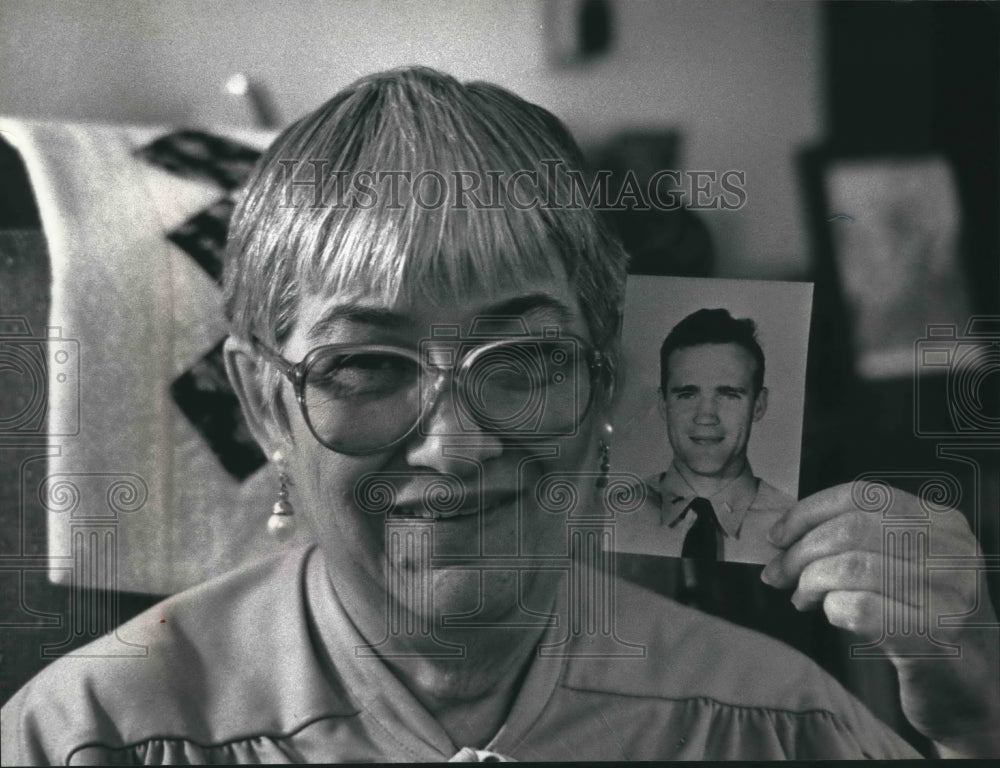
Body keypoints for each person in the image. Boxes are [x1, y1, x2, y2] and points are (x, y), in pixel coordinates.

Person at [2, 67, 998, 762]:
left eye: (522, 359)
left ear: (604, 385)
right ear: (266, 403)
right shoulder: (87, 738)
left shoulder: (778, 723)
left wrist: (974, 723)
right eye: (365, 367)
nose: (456, 443)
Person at [615, 307, 794, 565]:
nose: (706, 416)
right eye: (687, 394)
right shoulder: (607, 517)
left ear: (758, 405)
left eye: (728, 394)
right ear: (663, 404)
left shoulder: (795, 530)